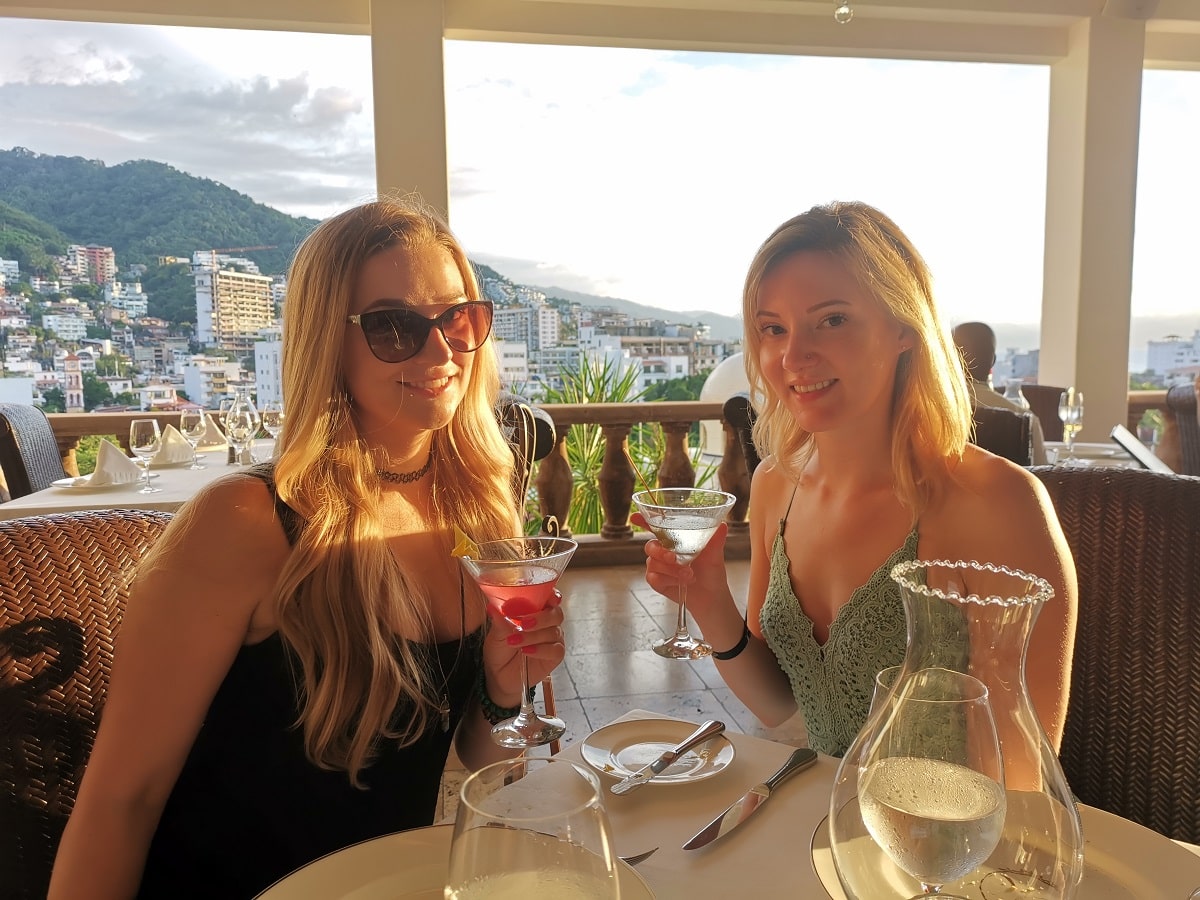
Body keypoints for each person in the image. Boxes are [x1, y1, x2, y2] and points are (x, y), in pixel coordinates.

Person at [49, 198, 566, 898]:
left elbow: (471, 756)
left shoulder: (480, 504)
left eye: (458, 318)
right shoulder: (246, 522)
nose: (441, 352)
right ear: (328, 340)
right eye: (393, 326)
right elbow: (120, 802)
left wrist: (502, 690)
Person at [638, 201, 1077, 758]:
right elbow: (781, 705)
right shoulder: (776, 485)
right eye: (773, 328)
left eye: (832, 320)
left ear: (904, 328)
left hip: (943, 816)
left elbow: (1024, 770)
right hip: (821, 806)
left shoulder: (996, 503)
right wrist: (708, 601)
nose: (793, 355)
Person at [952, 320, 1048, 465]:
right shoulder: (1025, 420)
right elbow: (1042, 474)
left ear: (949, 359)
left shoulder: (930, 413)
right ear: (993, 361)